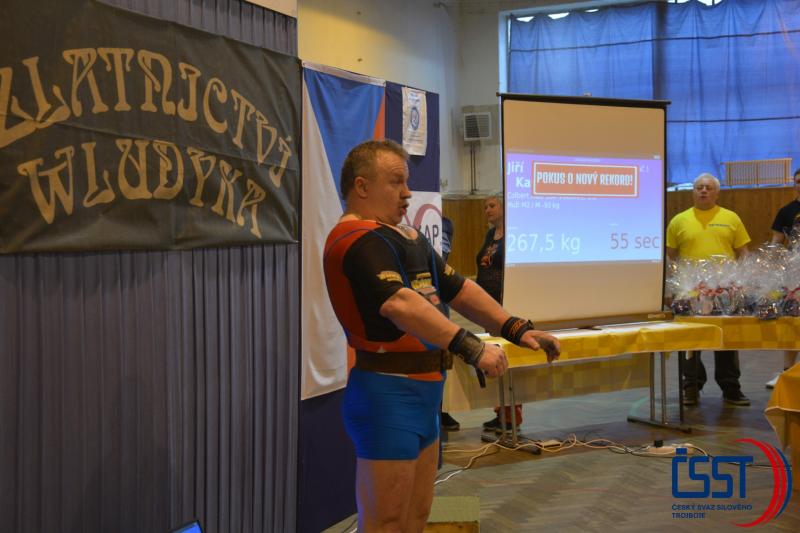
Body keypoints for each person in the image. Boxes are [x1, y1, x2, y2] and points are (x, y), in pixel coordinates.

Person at [323, 140, 560, 532]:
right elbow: (399, 304)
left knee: (415, 519)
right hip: (387, 397)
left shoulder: (405, 236)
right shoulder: (353, 239)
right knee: (385, 524)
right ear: (361, 186)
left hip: (425, 395)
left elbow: (458, 289)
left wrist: (516, 328)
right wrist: (471, 347)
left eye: (407, 182)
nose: (407, 193)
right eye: (395, 182)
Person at [666, 173, 751, 407]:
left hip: (724, 292)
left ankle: (731, 389)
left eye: (708, 187)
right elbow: (670, 258)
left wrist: (744, 282)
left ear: (717, 193)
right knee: (690, 342)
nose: (703, 191)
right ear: (693, 192)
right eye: (699, 187)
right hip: (689, 293)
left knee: (727, 340)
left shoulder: (731, 218)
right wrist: (671, 289)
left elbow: (743, 253)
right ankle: (691, 388)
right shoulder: (679, 221)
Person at [475, 194, 523, 432]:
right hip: (488, 305)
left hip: (506, 305)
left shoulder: (515, 234)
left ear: (505, 207)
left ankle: (512, 415)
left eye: (492, 205)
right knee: (495, 356)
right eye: (485, 207)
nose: (487, 210)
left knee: (508, 357)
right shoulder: (489, 235)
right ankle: (501, 412)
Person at [765, 168, 800, 388]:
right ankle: (787, 373)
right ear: (794, 184)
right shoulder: (786, 211)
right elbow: (775, 242)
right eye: (798, 181)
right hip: (794, 274)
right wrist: (769, 267)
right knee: (791, 322)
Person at [439, 216, 461, 431]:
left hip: (439, 299)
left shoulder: (444, 223)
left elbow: (441, 260)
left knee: (443, 358)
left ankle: (442, 409)